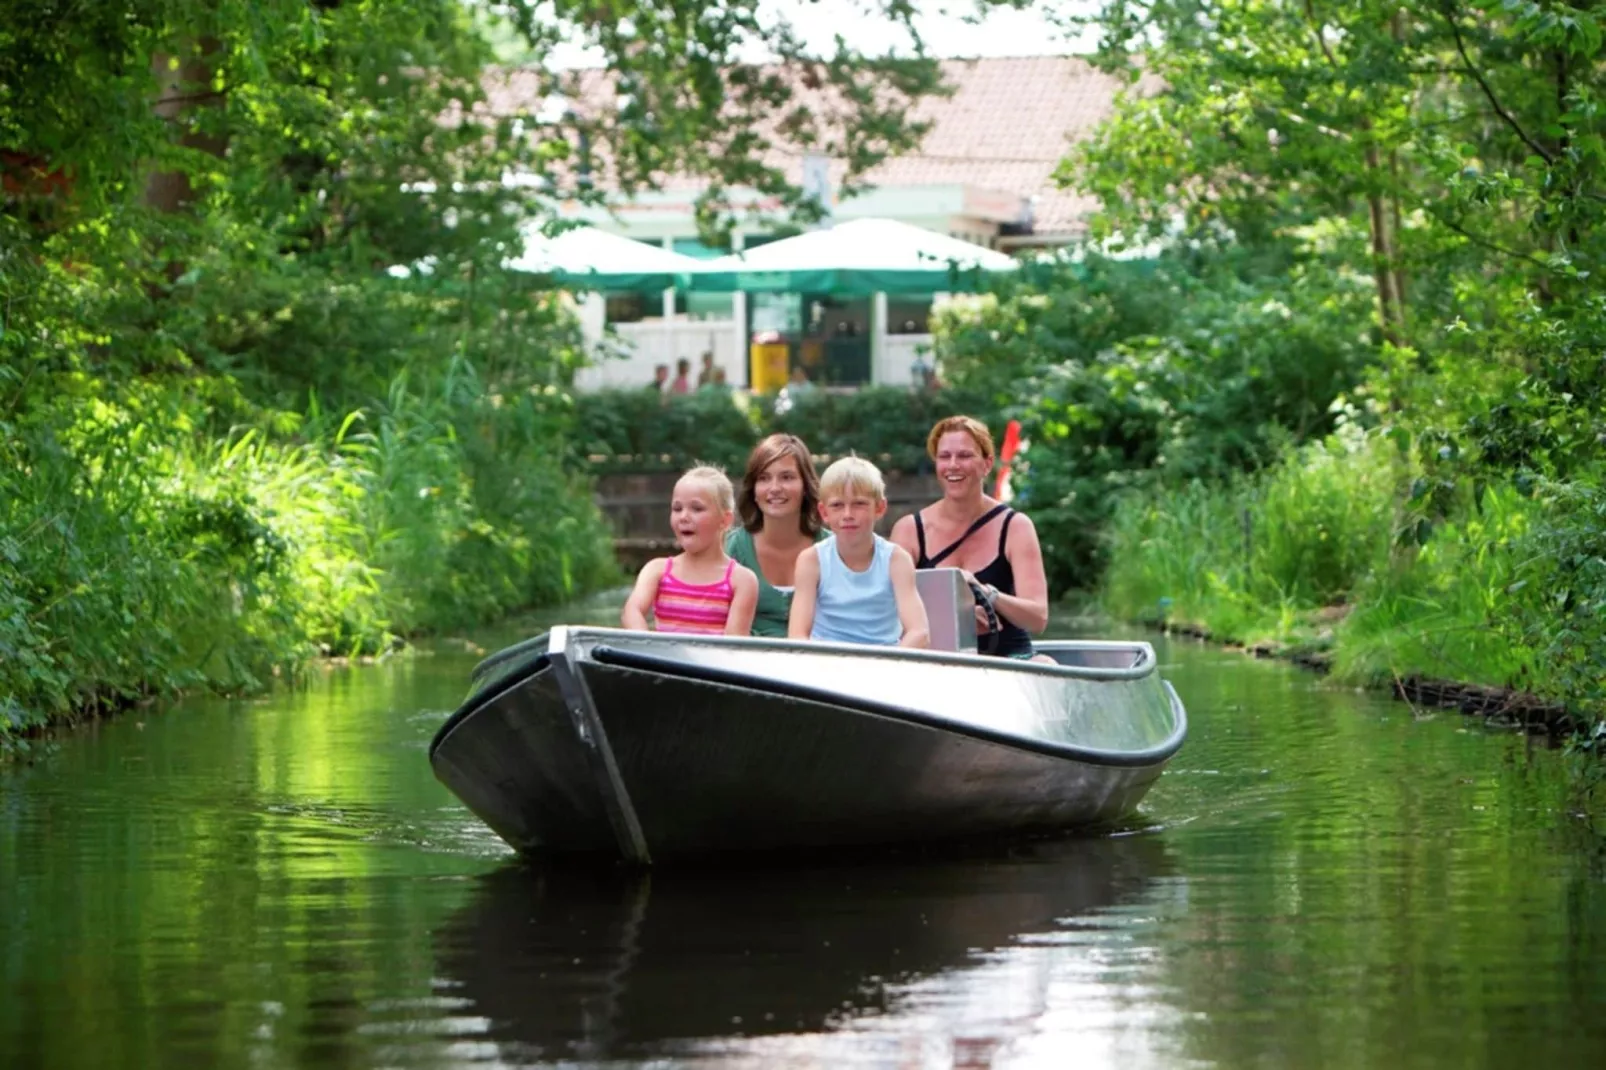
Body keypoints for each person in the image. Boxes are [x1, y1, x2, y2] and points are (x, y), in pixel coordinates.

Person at [890, 415, 1051, 660]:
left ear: (987, 464)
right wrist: (957, 617)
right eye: (944, 457)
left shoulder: (1016, 527)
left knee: (1045, 662)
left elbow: (1038, 618)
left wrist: (988, 595)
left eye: (964, 456)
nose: (953, 465)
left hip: (1010, 660)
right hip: (935, 662)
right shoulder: (909, 530)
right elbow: (887, 611)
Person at [790, 456, 929, 648]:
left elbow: (919, 632)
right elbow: (797, 635)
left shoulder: (896, 560)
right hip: (826, 663)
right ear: (824, 513)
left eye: (859, 504)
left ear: (880, 508)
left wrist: (887, 667)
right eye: (837, 505)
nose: (848, 515)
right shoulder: (811, 560)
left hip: (884, 662)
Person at [622, 465, 758, 635]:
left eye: (697, 508)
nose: (684, 517)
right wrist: (647, 647)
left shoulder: (742, 581)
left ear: (725, 520)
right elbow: (632, 611)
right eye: (677, 508)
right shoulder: (657, 570)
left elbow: (733, 647)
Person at [725, 434, 827, 638]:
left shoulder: (832, 548)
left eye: (787, 477)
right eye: (763, 478)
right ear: (753, 490)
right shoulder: (731, 548)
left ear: (806, 486)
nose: (774, 488)